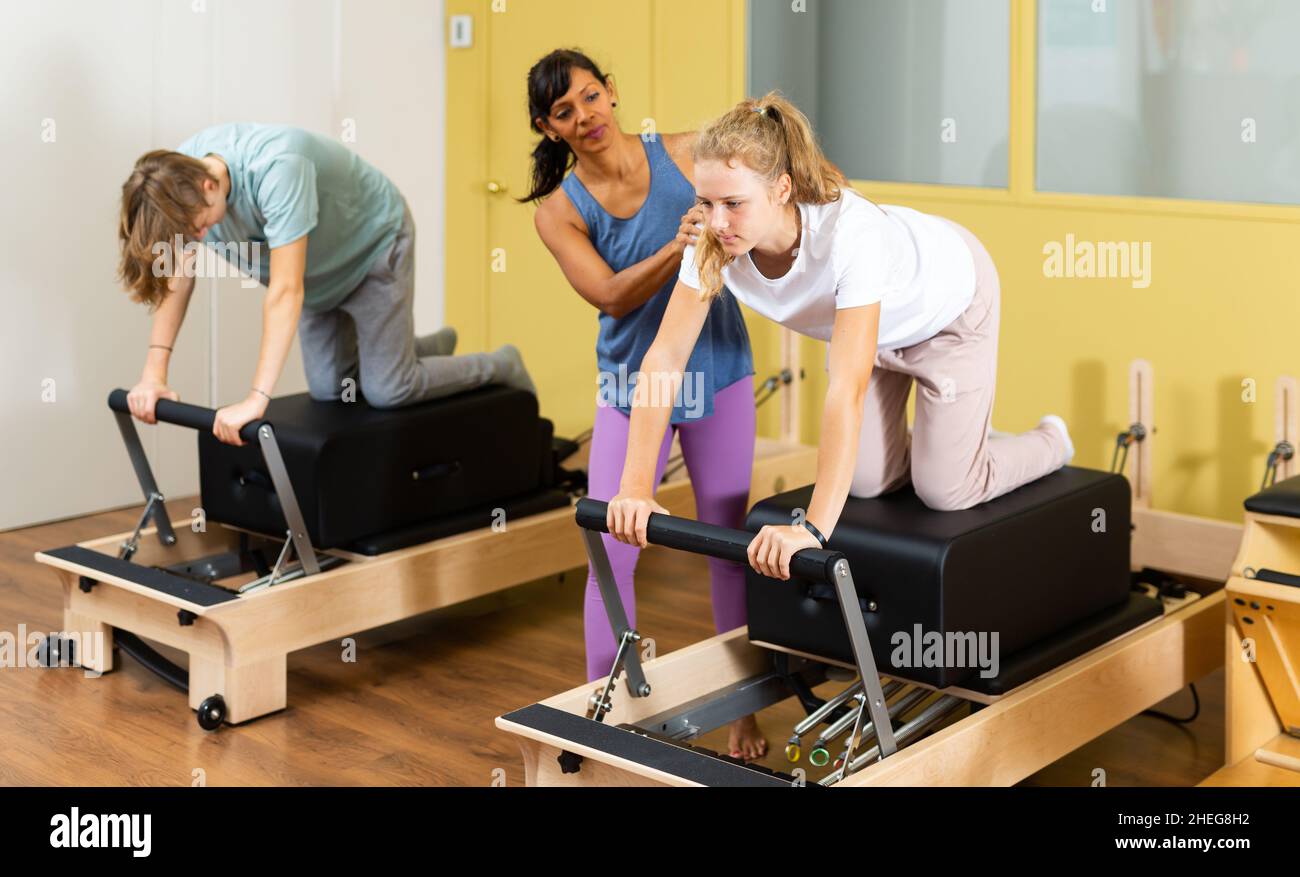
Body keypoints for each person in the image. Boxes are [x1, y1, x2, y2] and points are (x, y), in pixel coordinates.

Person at [607, 92, 1075, 587]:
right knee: (868, 482)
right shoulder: (712, 243)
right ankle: (956, 438)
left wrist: (811, 528)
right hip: (870, 332)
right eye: (706, 201)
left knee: (947, 490)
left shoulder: (850, 235)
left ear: (781, 189)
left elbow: (845, 386)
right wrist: (635, 486)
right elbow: (664, 357)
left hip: (949, 310)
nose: (717, 221)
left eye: (734, 204)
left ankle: (1049, 441)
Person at [526, 50, 767, 761]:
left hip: (717, 373)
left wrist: (759, 122)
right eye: (565, 111)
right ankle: (605, 710)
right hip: (633, 389)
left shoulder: (687, 151)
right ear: (550, 127)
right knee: (610, 549)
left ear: (613, 94)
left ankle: (746, 713)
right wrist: (680, 244)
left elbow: (749, 157)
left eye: (591, 96)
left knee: (729, 546)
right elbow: (608, 293)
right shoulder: (558, 212)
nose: (586, 116)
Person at [117, 124, 535, 445]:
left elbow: (285, 292)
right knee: (332, 389)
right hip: (318, 274)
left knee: (389, 389)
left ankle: (501, 364)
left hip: (372, 248)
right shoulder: (174, 185)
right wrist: (154, 374)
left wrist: (255, 399)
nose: (200, 238)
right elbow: (177, 275)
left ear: (209, 185)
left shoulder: (277, 167)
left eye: (200, 228)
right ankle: (411, 349)